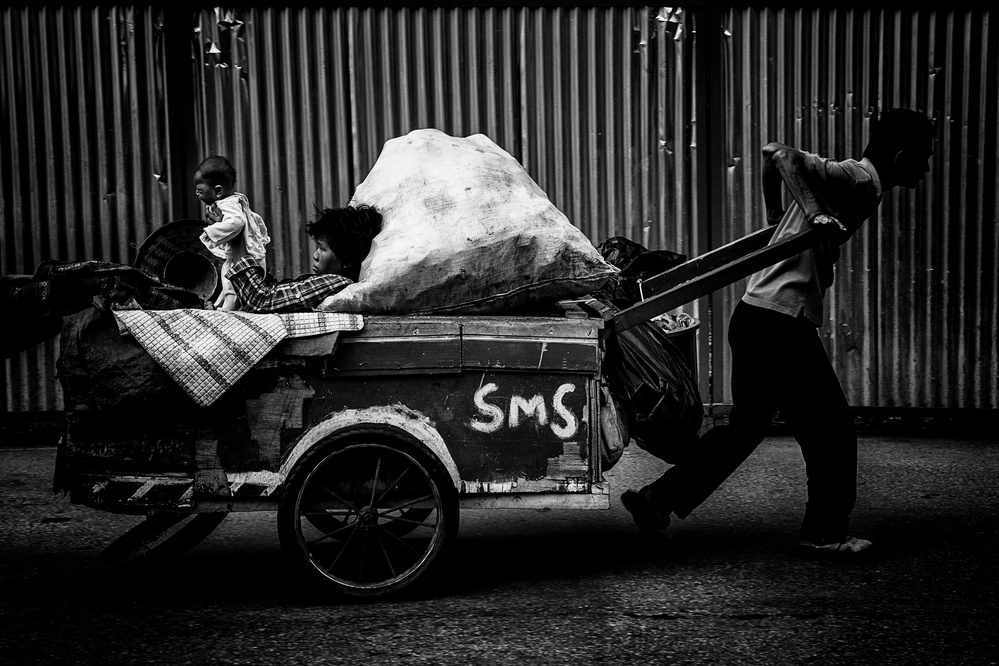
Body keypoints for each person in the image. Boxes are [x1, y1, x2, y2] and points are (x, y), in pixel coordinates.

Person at [622, 107, 936, 559]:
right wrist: (810, 211)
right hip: (779, 322)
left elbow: (771, 158)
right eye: (923, 158)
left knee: (746, 429)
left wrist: (779, 212)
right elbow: (781, 154)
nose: (926, 169)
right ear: (902, 155)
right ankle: (824, 532)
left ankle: (656, 500)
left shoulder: (856, 185)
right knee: (831, 429)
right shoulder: (857, 179)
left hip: (753, 315)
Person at [225, 205, 382, 314]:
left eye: (322, 248)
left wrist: (236, 242)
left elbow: (261, 301)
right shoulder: (328, 281)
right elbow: (275, 292)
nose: (315, 255)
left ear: (347, 259)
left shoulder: (337, 282)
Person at [194, 156, 271, 311]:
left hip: (246, 259)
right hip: (243, 258)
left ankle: (228, 308)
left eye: (200, 190)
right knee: (227, 275)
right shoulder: (230, 202)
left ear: (218, 191)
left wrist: (212, 231)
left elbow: (237, 223)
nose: (197, 194)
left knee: (231, 279)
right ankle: (221, 303)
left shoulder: (228, 205)